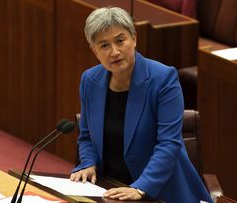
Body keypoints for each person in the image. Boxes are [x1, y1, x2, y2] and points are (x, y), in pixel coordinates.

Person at [70, 6, 213, 203]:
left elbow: (169, 143)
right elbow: (86, 136)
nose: (114, 51)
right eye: (104, 45)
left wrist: (141, 186)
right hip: (110, 189)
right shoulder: (90, 80)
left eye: (120, 40)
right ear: (94, 50)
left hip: (160, 192)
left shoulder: (163, 79)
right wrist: (87, 163)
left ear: (134, 38)